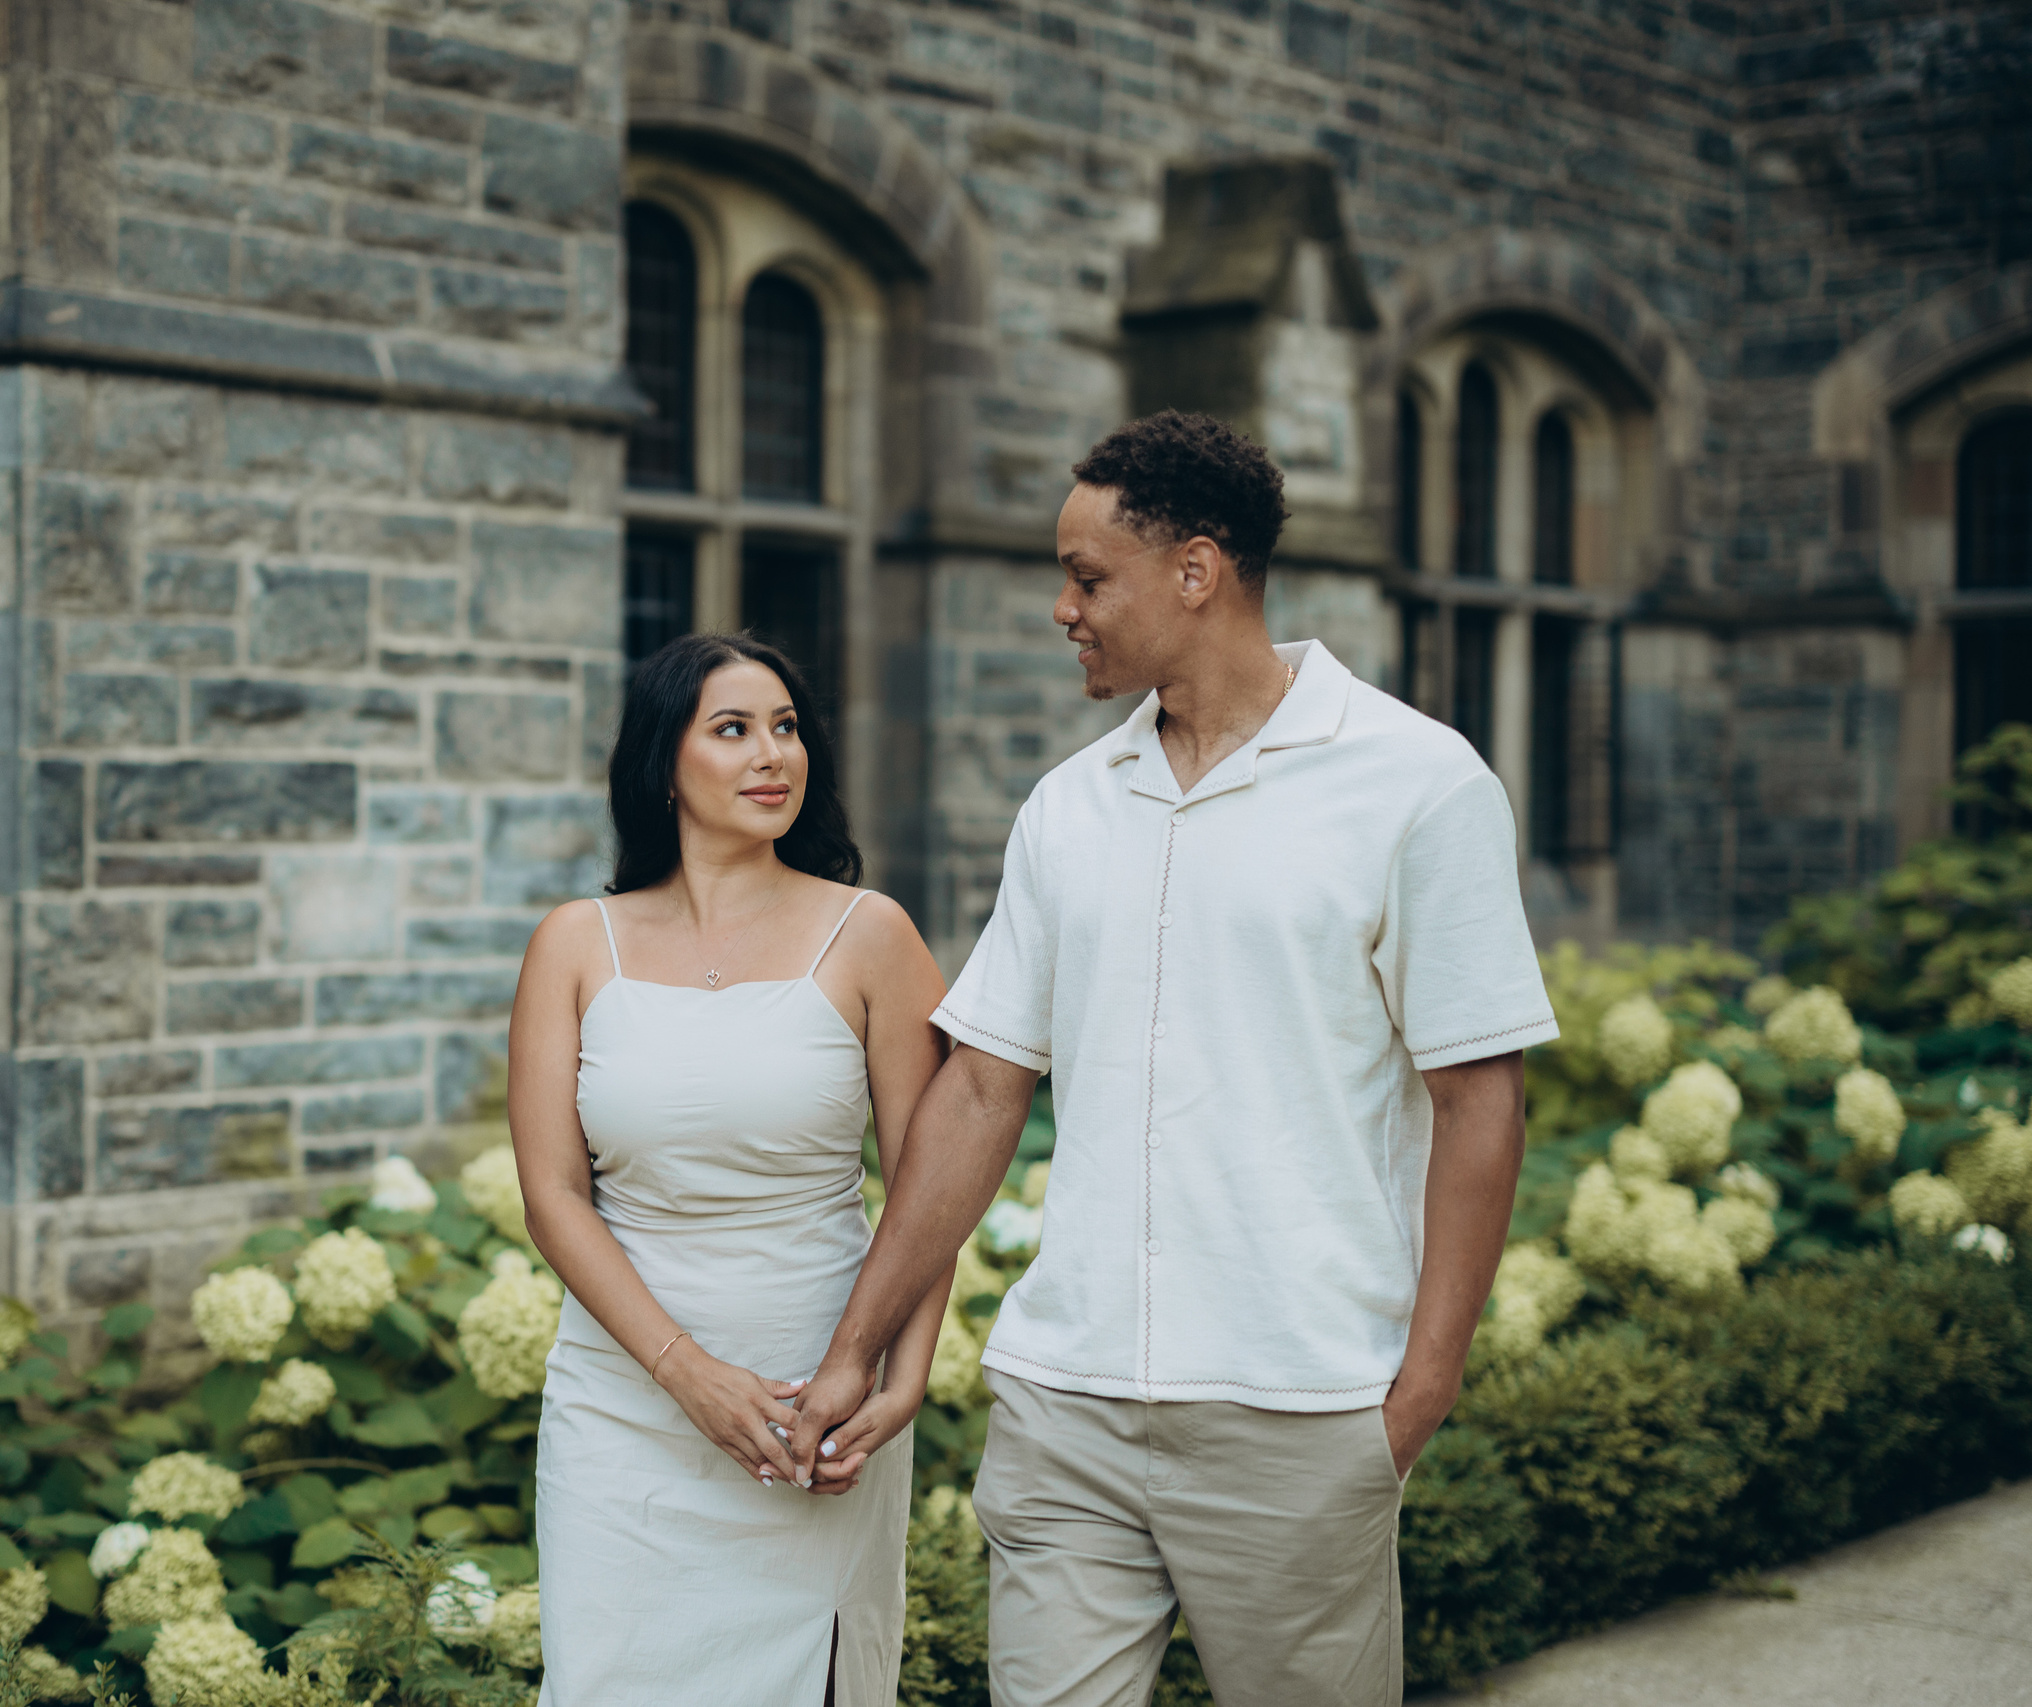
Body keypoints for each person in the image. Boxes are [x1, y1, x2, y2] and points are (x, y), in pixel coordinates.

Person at [787, 411, 1560, 1707]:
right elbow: (983, 1085)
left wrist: (1415, 1394)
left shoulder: (1418, 785)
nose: (1061, 608)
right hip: (1068, 1398)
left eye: (1089, 578)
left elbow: (1480, 1097)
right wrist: (853, 1347)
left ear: (1196, 572)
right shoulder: (1071, 806)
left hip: (1301, 1404)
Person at [507, 632, 952, 1706]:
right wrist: (684, 1373)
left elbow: (930, 1188)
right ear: (665, 764)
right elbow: (554, 1198)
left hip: (815, 1403)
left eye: (788, 728)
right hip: (624, 1410)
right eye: (734, 730)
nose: (774, 756)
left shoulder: (872, 935)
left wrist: (904, 1378)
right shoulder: (574, 945)